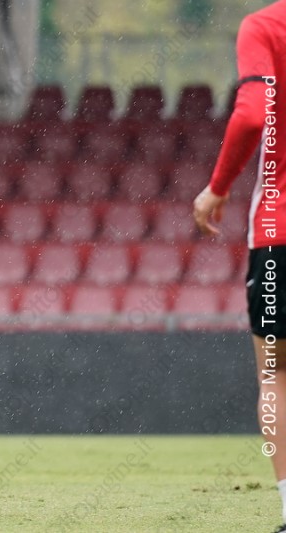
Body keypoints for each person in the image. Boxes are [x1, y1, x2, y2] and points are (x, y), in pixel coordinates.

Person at [192, 2, 286, 531]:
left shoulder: (267, 26)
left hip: (281, 234)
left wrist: (218, 187)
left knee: (277, 374)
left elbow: (252, 114)